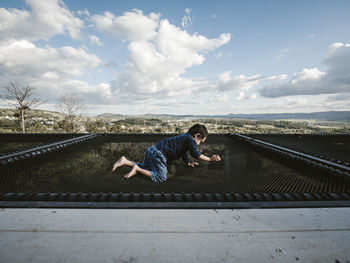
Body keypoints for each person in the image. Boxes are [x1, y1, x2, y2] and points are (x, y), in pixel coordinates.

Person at [112, 124, 221, 182]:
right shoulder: (190, 139)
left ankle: (125, 161)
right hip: (158, 154)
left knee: (148, 168)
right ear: (197, 135)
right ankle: (137, 169)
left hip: (152, 151)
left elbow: (185, 153)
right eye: (200, 141)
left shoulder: (185, 138)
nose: (199, 144)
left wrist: (188, 163)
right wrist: (210, 159)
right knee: (161, 177)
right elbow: (196, 154)